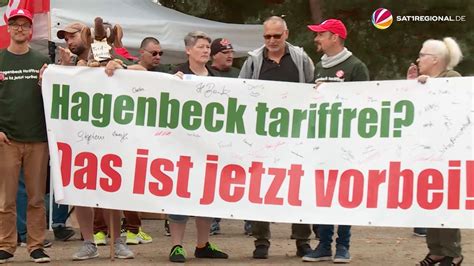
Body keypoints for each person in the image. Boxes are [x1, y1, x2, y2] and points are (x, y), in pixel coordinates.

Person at [56, 22, 138, 260]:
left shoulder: (110, 58)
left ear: (86, 36)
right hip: (78, 138)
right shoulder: (69, 64)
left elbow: (139, 70)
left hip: (110, 136)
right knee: (79, 192)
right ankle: (89, 242)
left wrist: (118, 66)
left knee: (112, 189)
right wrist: (58, 71)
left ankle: (117, 240)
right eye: (66, 38)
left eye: (72, 37)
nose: (69, 42)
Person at [239, 16, 315, 259]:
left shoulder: (301, 59)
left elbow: (314, 88)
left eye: (276, 35)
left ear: (286, 34)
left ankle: (302, 240)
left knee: (298, 185)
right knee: (260, 186)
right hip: (261, 135)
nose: (271, 40)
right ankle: (261, 240)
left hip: (296, 134)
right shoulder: (253, 60)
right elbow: (240, 92)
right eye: (267, 36)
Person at [303, 18, 369, 264]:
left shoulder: (356, 66)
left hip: (346, 142)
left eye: (321, 34)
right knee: (323, 192)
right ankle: (323, 244)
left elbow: (364, 104)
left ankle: (343, 246)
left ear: (334, 37)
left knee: (344, 193)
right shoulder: (319, 66)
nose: (316, 39)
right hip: (322, 141)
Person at [167, 31, 228, 263]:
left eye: (207, 47)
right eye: (201, 46)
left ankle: (203, 245)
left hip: (208, 147)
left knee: (206, 195)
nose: (205, 50)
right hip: (181, 146)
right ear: (188, 50)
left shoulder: (217, 77)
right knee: (180, 195)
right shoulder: (176, 73)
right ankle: (176, 246)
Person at [0, 8, 51, 263]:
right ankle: (7, 245)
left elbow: (56, 96)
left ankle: (36, 246)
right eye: (15, 24)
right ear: (8, 28)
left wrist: (61, 67)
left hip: (38, 138)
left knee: (36, 198)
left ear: (31, 30)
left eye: (24, 25)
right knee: (6, 198)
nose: (20, 29)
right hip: (7, 139)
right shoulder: (0, 60)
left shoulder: (42, 61)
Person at [408, 37, 464, 266]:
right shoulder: (424, 81)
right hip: (426, 151)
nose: (418, 59)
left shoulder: (453, 79)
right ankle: (437, 250)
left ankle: (452, 252)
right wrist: (411, 84)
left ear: (435, 59)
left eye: (422, 55)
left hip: (447, 154)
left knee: (446, 203)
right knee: (429, 203)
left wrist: (429, 86)